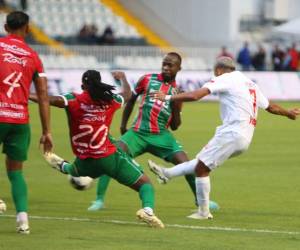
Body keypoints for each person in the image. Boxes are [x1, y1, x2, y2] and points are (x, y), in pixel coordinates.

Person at [148, 56, 300, 220]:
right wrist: (288, 114)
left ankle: (203, 212)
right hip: (244, 137)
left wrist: (168, 97)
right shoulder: (250, 83)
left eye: (215, 73)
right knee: (202, 162)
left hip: (232, 133)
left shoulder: (225, 78)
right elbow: (271, 107)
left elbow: (196, 95)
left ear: (219, 70)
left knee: (202, 168)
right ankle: (167, 173)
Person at [29, 70, 164, 228]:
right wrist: (123, 78)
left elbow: (46, 99)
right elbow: (127, 94)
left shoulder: (73, 100)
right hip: (108, 157)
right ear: (100, 83)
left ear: (82, 85)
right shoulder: (109, 100)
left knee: (75, 170)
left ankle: (64, 166)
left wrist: (24, 94)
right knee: (145, 184)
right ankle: (147, 210)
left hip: (84, 162)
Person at [88, 52, 219, 211]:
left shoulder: (177, 91)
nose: (165, 67)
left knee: (188, 165)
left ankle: (201, 202)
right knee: (112, 157)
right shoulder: (146, 79)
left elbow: (175, 126)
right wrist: (123, 125)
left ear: (179, 68)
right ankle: (99, 200)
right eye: (164, 64)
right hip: (138, 133)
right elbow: (130, 102)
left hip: (161, 136)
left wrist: (176, 106)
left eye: (170, 65)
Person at [0, 11, 53, 234]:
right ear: (28, 29)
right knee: (15, 172)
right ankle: (23, 220)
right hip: (20, 121)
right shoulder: (34, 57)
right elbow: (43, 96)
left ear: (5, 26)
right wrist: (47, 131)